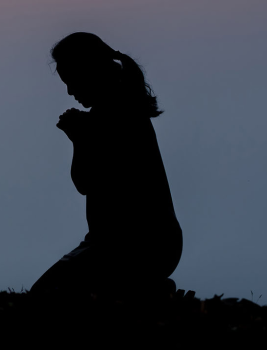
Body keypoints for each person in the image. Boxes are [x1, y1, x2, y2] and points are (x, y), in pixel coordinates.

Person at [31, 32, 182, 297]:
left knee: (46, 295)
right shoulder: (116, 109)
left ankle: (148, 291)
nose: (70, 91)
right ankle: (146, 289)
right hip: (137, 243)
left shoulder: (115, 114)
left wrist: (79, 139)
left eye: (72, 80)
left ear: (90, 71)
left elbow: (85, 181)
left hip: (133, 245)